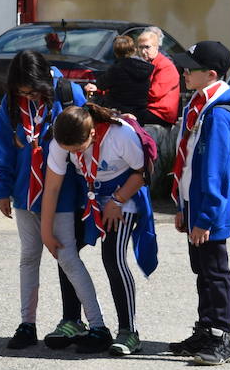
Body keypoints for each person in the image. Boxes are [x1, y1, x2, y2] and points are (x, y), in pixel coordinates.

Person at [0, 49, 89, 350]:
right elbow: (4, 147)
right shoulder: (12, 102)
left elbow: (88, 136)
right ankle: (27, 324)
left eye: (32, 92)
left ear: (44, 80)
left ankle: (86, 322)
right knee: (29, 256)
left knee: (66, 256)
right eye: (22, 92)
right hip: (24, 191)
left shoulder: (68, 93)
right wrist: (2, 189)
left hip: (64, 192)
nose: (28, 97)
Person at [42, 103, 157, 356]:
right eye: (68, 150)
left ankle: (129, 332)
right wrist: (46, 232)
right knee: (65, 251)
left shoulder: (121, 135)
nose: (72, 153)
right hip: (92, 197)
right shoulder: (60, 140)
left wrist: (117, 202)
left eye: (77, 149)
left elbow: (144, 172)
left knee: (113, 259)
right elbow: (51, 187)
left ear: (92, 133)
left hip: (124, 195)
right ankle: (72, 321)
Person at [165, 40, 230, 366]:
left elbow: (215, 172)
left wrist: (204, 217)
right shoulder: (200, 106)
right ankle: (205, 329)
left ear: (211, 74)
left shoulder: (217, 116)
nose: (185, 71)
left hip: (209, 210)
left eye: (191, 67)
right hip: (195, 206)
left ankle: (220, 336)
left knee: (215, 272)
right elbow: (188, 166)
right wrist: (182, 208)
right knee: (202, 270)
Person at [136, 27, 181, 182]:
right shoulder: (147, 63)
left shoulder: (165, 66)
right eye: (140, 47)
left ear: (156, 47)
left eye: (147, 47)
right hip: (150, 109)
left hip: (161, 113)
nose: (143, 51)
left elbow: (154, 93)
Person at [88, 35, 153, 119]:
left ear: (116, 52)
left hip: (119, 110)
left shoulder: (117, 69)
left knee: (95, 102)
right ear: (134, 49)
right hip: (139, 110)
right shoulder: (146, 67)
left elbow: (101, 84)